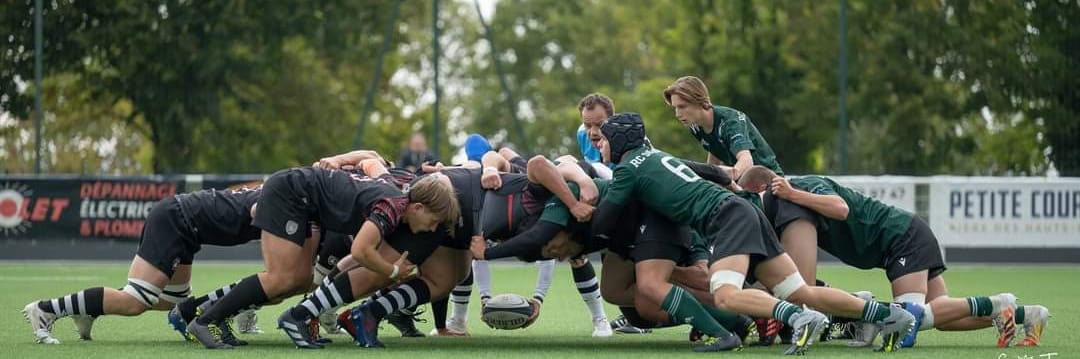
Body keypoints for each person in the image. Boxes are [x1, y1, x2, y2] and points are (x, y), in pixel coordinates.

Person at [591, 112, 916, 354]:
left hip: (725, 218)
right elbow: (706, 169)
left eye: (603, 138)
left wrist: (579, 214)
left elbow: (603, 222)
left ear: (618, 140)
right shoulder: (657, 156)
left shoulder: (627, 170)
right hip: (740, 211)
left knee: (724, 295)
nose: (599, 144)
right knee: (800, 291)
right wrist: (730, 178)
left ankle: (795, 319)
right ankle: (889, 314)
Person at [738, 166, 1050, 348]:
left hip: (903, 238)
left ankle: (998, 302)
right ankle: (1027, 314)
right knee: (941, 320)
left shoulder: (797, 190)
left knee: (908, 325)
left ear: (763, 188)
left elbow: (841, 209)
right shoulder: (784, 208)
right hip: (900, 242)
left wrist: (792, 193)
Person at [185, 164, 459, 349]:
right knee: (282, 279)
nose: (433, 228)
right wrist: (393, 272)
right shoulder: (392, 207)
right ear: (419, 207)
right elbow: (360, 251)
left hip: (303, 203)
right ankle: (203, 321)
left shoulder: (398, 201)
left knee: (299, 280)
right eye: (434, 221)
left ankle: (217, 316)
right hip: (289, 195)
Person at [22, 186, 263, 345]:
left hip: (187, 226)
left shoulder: (285, 191)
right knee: (135, 301)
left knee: (173, 301)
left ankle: (89, 308)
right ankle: (45, 309)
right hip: (177, 220)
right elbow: (255, 211)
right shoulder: (285, 197)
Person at [663, 76, 783, 182]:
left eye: (682, 107)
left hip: (769, 182)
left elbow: (746, 160)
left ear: (698, 101)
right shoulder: (695, 125)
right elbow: (714, 149)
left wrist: (727, 176)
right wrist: (709, 179)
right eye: (675, 108)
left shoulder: (730, 122)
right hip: (741, 182)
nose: (677, 114)